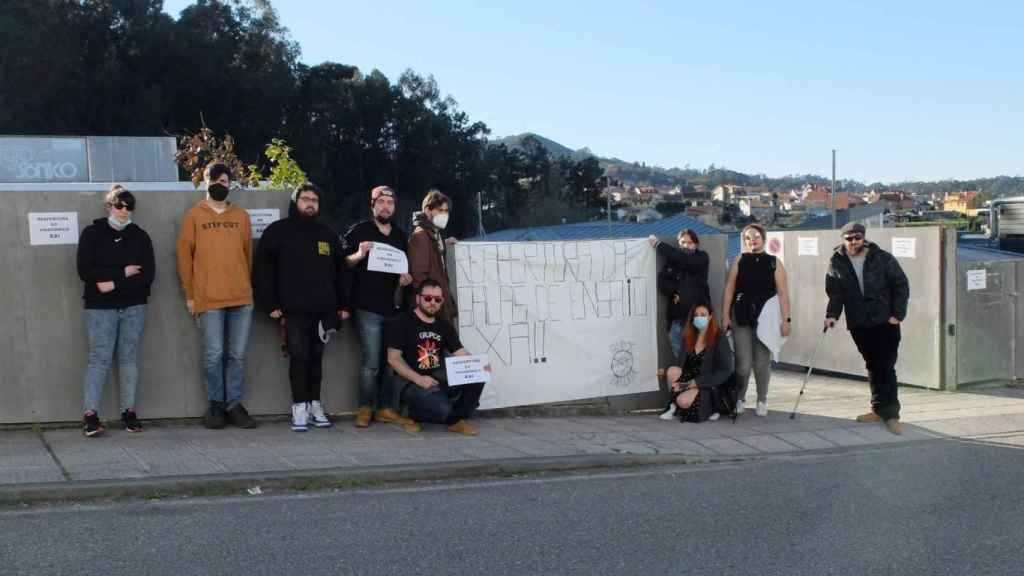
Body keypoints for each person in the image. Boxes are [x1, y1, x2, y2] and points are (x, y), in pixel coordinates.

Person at [255, 182, 348, 432]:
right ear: (296, 202)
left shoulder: (328, 234)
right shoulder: (277, 231)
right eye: (305, 199)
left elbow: (340, 272)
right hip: (293, 310)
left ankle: (315, 404)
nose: (310, 204)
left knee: (317, 359)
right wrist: (270, 303)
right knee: (299, 357)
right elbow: (263, 270)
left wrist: (343, 305)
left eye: (314, 200)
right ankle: (299, 408)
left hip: (324, 310)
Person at [176, 161, 257, 429]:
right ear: (206, 181)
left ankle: (234, 405)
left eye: (225, 181)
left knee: (238, 355)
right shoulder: (193, 216)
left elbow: (249, 256)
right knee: (213, 355)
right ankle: (216, 406)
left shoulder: (242, 216)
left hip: (241, 298)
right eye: (216, 180)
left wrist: (248, 288)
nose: (220, 185)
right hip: (208, 299)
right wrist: (190, 295)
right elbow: (184, 259)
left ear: (230, 185)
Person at [76, 185, 155, 436]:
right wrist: (123, 272)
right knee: (98, 359)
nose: (124, 211)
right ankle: (90, 415)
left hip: (134, 306)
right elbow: (86, 271)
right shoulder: (92, 233)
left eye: (129, 206)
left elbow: (147, 276)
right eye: (119, 205)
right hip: (100, 309)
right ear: (109, 205)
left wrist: (110, 283)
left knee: (128, 359)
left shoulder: (140, 236)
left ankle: (128, 412)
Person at [825, 223, 910, 435]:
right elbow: (835, 293)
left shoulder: (882, 257)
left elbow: (901, 285)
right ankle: (877, 409)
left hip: (885, 320)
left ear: (864, 238)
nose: (853, 242)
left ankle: (891, 415)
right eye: (849, 238)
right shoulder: (837, 261)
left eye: (857, 237)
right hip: (859, 322)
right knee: (872, 364)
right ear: (843, 239)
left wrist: (897, 315)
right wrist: (832, 315)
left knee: (886, 365)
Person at [342, 185, 414, 429]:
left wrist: (406, 279)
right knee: (370, 362)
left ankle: (385, 408)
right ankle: (364, 408)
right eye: (381, 202)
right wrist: (358, 255)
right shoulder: (359, 231)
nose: (385, 206)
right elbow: (342, 264)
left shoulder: (401, 235)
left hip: (393, 308)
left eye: (390, 203)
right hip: (366, 307)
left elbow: (406, 270)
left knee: (389, 362)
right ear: (372, 205)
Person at [387, 280, 487, 436]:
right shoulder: (402, 321)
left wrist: (479, 366)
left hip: (438, 377)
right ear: (418, 298)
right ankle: (413, 414)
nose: (432, 302)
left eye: (437, 299)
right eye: (428, 298)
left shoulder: (444, 325)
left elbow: (460, 352)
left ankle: (455, 418)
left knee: (478, 377)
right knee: (441, 408)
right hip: (409, 381)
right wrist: (419, 379)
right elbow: (393, 359)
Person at [721, 223, 791, 417]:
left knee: (762, 363)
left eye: (756, 236)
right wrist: (725, 315)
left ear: (763, 238)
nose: (752, 240)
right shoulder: (739, 260)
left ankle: (762, 399)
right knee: (743, 364)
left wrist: (786, 320)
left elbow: (783, 293)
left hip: (767, 317)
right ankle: (740, 398)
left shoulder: (774, 262)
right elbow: (729, 289)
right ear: (744, 241)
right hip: (741, 315)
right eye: (748, 237)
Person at [660, 304, 735, 422]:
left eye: (703, 315)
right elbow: (681, 364)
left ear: (710, 317)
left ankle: (712, 408)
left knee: (683, 401)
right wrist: (682, 383)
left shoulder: (719, 338)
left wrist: (696, 383)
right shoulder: (689, 336)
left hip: (707, 384)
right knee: (672, 371)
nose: (698, 318)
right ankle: (673, 406)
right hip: (689, 379)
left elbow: (725, 370)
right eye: (696, 315)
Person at [649, 230, 710, 360]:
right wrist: (674, 292)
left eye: (690, 242)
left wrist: (659, 245)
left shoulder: (702, 257)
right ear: (678, 244)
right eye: (683, 242)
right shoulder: (671, 263)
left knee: (699, 360)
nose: (687, 246)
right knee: (681, 360)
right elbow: (662, 282)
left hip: (698, 321)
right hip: (677, 322)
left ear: (696, 244)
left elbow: (685, 261)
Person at [409, 189, 457, 325]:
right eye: (440, 210)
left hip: (438, 306)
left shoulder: (435, 235)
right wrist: (431, 306)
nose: (444, 214)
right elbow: (419, 277)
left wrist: (443, 244)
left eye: (446, 211)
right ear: (428, 211)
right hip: (431, 310)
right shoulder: (420, 236)